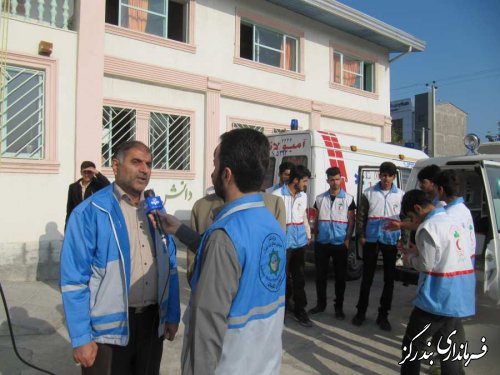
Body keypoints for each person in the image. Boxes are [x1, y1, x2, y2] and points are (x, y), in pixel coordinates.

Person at [156, 128, 287, 375]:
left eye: (215, 165)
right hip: (264, 363)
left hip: (229, 365)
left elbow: (207, 328)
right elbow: (237, 259)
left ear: (227, 174)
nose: (212, 172)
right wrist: (180, 230)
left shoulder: (224, 236)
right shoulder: (270, 222)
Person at [60, 141, 180, 375]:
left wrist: (172, 314)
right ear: (116, 165)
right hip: (107, 331)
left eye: (149, 163)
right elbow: (74, 280)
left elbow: (171, 265)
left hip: (152, 323)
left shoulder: (157, 211)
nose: (144, 169)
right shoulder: (90, 212)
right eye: (136, 162)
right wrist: (81, 337)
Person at [399, 190, 475, 375]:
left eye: (412, 216)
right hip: (459, 294)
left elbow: (426, 265)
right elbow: (445, 253)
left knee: (412, 344)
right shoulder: (451, 220)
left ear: (417, 208)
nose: (413, 221)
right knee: (447, 346)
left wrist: (409, 257)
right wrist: (419, 251)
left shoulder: (428, 227)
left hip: (439, 297)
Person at [186, 191, 286, 280]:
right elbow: (193, 263)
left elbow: (277, 259)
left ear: (227, 174)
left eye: (216, 169)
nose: (213, 174)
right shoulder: (201, 207)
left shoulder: (274, 204)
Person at [352, 161, 404, 331]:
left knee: (389, 280)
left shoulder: (401, 195)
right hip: (371, 240)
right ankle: (360, 312)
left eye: (389, 175)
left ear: (394, 177)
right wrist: (360, 235)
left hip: (390, 240)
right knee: (367, 278)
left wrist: (402, 239)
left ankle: (383, 315)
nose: (386, 178)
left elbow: (405, 219)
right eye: (383, 175)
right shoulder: (368, 193)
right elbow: (361, 216)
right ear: (379, 175)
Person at [309, 167, 355, 320]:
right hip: (322, 243)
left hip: (339, 244)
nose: (335, 182)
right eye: (332, 179)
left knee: (340, 278)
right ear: (327, 180)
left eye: (337, 179)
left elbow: (351, 221)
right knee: (320, 276)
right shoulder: (320, 198)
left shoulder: (348, 199)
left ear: (341, 179)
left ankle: (339, 308)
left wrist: (347, 239)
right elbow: (315, 219)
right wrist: (313, 235)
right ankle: (320, 304)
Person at [273, 164, 313, 327]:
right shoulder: (276, 196)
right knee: (280, 279)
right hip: (282, 245)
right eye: (304, 181)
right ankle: (279, 311)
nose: (306, 184)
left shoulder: (303, 196)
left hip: (299, 244)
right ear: (295, 180)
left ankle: (300, 310)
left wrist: (308, 234)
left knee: (299, 278)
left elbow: (303, 216)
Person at [65, 161, 110, 228]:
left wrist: (97, 173)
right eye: (84, 172)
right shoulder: (73, 187)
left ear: (93, 173)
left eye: (89, 172)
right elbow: (70, 208)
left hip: (93, 220)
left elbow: (108, 187)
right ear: (81, 172)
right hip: (79, 220)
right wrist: (68, 225)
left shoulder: (98, 185)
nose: (86, 175)